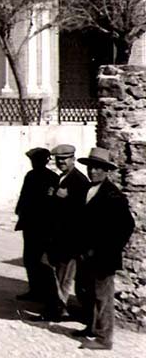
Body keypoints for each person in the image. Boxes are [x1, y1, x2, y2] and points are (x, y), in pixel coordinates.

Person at [70, 146, 136, 351]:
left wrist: (105, 249)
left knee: (102, 296)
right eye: (90, 168)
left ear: (107, 170)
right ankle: (91, 327)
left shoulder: (112, 195)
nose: (93, 172)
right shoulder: (88, 190)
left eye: (98, 168)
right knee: (86, 291)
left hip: (103, 257)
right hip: (85, 254)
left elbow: (126, 226)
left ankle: (104, 337)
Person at [45, 142, 91, 322]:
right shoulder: (62, 178)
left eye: (65, 159)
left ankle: (59, 310)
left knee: (65, 276)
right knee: (58, 273)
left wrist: (65, 199)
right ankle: (58, 307)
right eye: (58, 159)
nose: (61, 162)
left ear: (73, 159)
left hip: (69, 238)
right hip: (60, 236)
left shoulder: (78, 180)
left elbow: (82, 210)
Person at [14, 146, 57, 304]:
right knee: (29, 259)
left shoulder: (51, 178)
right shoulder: (30, 176)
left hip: (43, 225)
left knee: (41, 261)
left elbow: (51, 202)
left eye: (36, 160)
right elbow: (24, 196)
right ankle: (34, 289)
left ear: (44, 161)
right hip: (29, 223)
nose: (34, 163)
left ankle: (43, 292)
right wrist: (19, 211)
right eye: (33, 160)